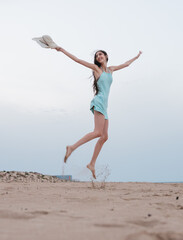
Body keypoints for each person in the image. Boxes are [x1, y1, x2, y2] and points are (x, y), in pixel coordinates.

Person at [54, 46, 142, 179]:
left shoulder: (111, 70)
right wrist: (61, 50)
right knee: (98, 132)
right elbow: (77, 60)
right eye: (97, 56)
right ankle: (72, 147)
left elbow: (126, 64)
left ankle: (91, 163)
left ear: (106, 57)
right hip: (99, 101)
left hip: (105, 106)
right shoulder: (96, 69)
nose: (99, 56)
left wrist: (136, 56)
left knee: (104, 136)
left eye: (101, 54)